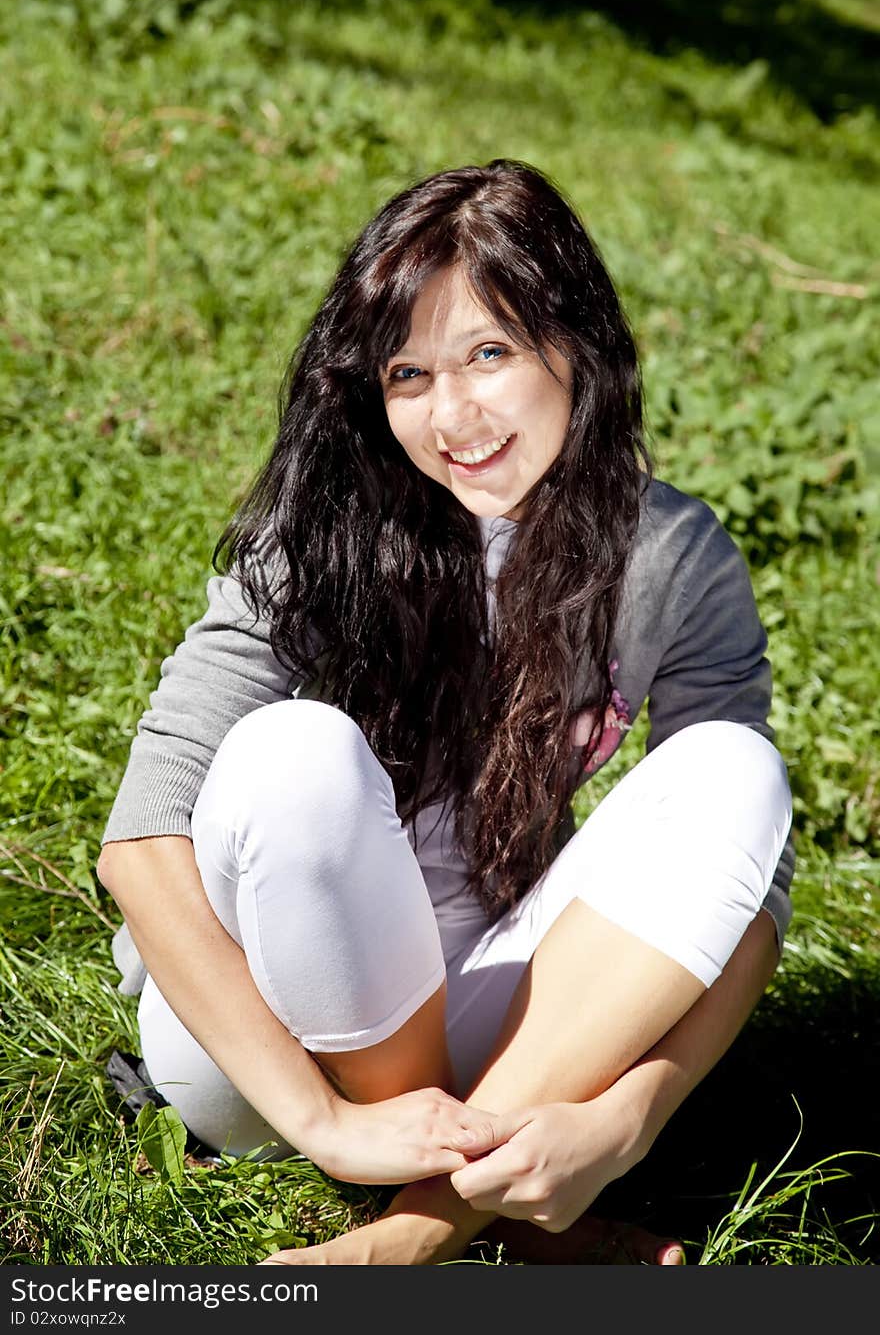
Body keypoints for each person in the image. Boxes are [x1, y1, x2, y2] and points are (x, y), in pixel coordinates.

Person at [97, 159, 794, 1267]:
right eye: (409, 372)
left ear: (578, 348)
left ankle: (412, 1232)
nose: (453, 415)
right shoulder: (317, 537)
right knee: (294, 755)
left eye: (489, 354)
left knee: (737, 772)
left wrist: (622, 1124)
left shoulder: (673, 557)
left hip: (492, 1038)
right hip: (262, 1059)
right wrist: (329, 1121)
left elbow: (749, 894)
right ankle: (483, 1215)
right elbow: (140, 844)